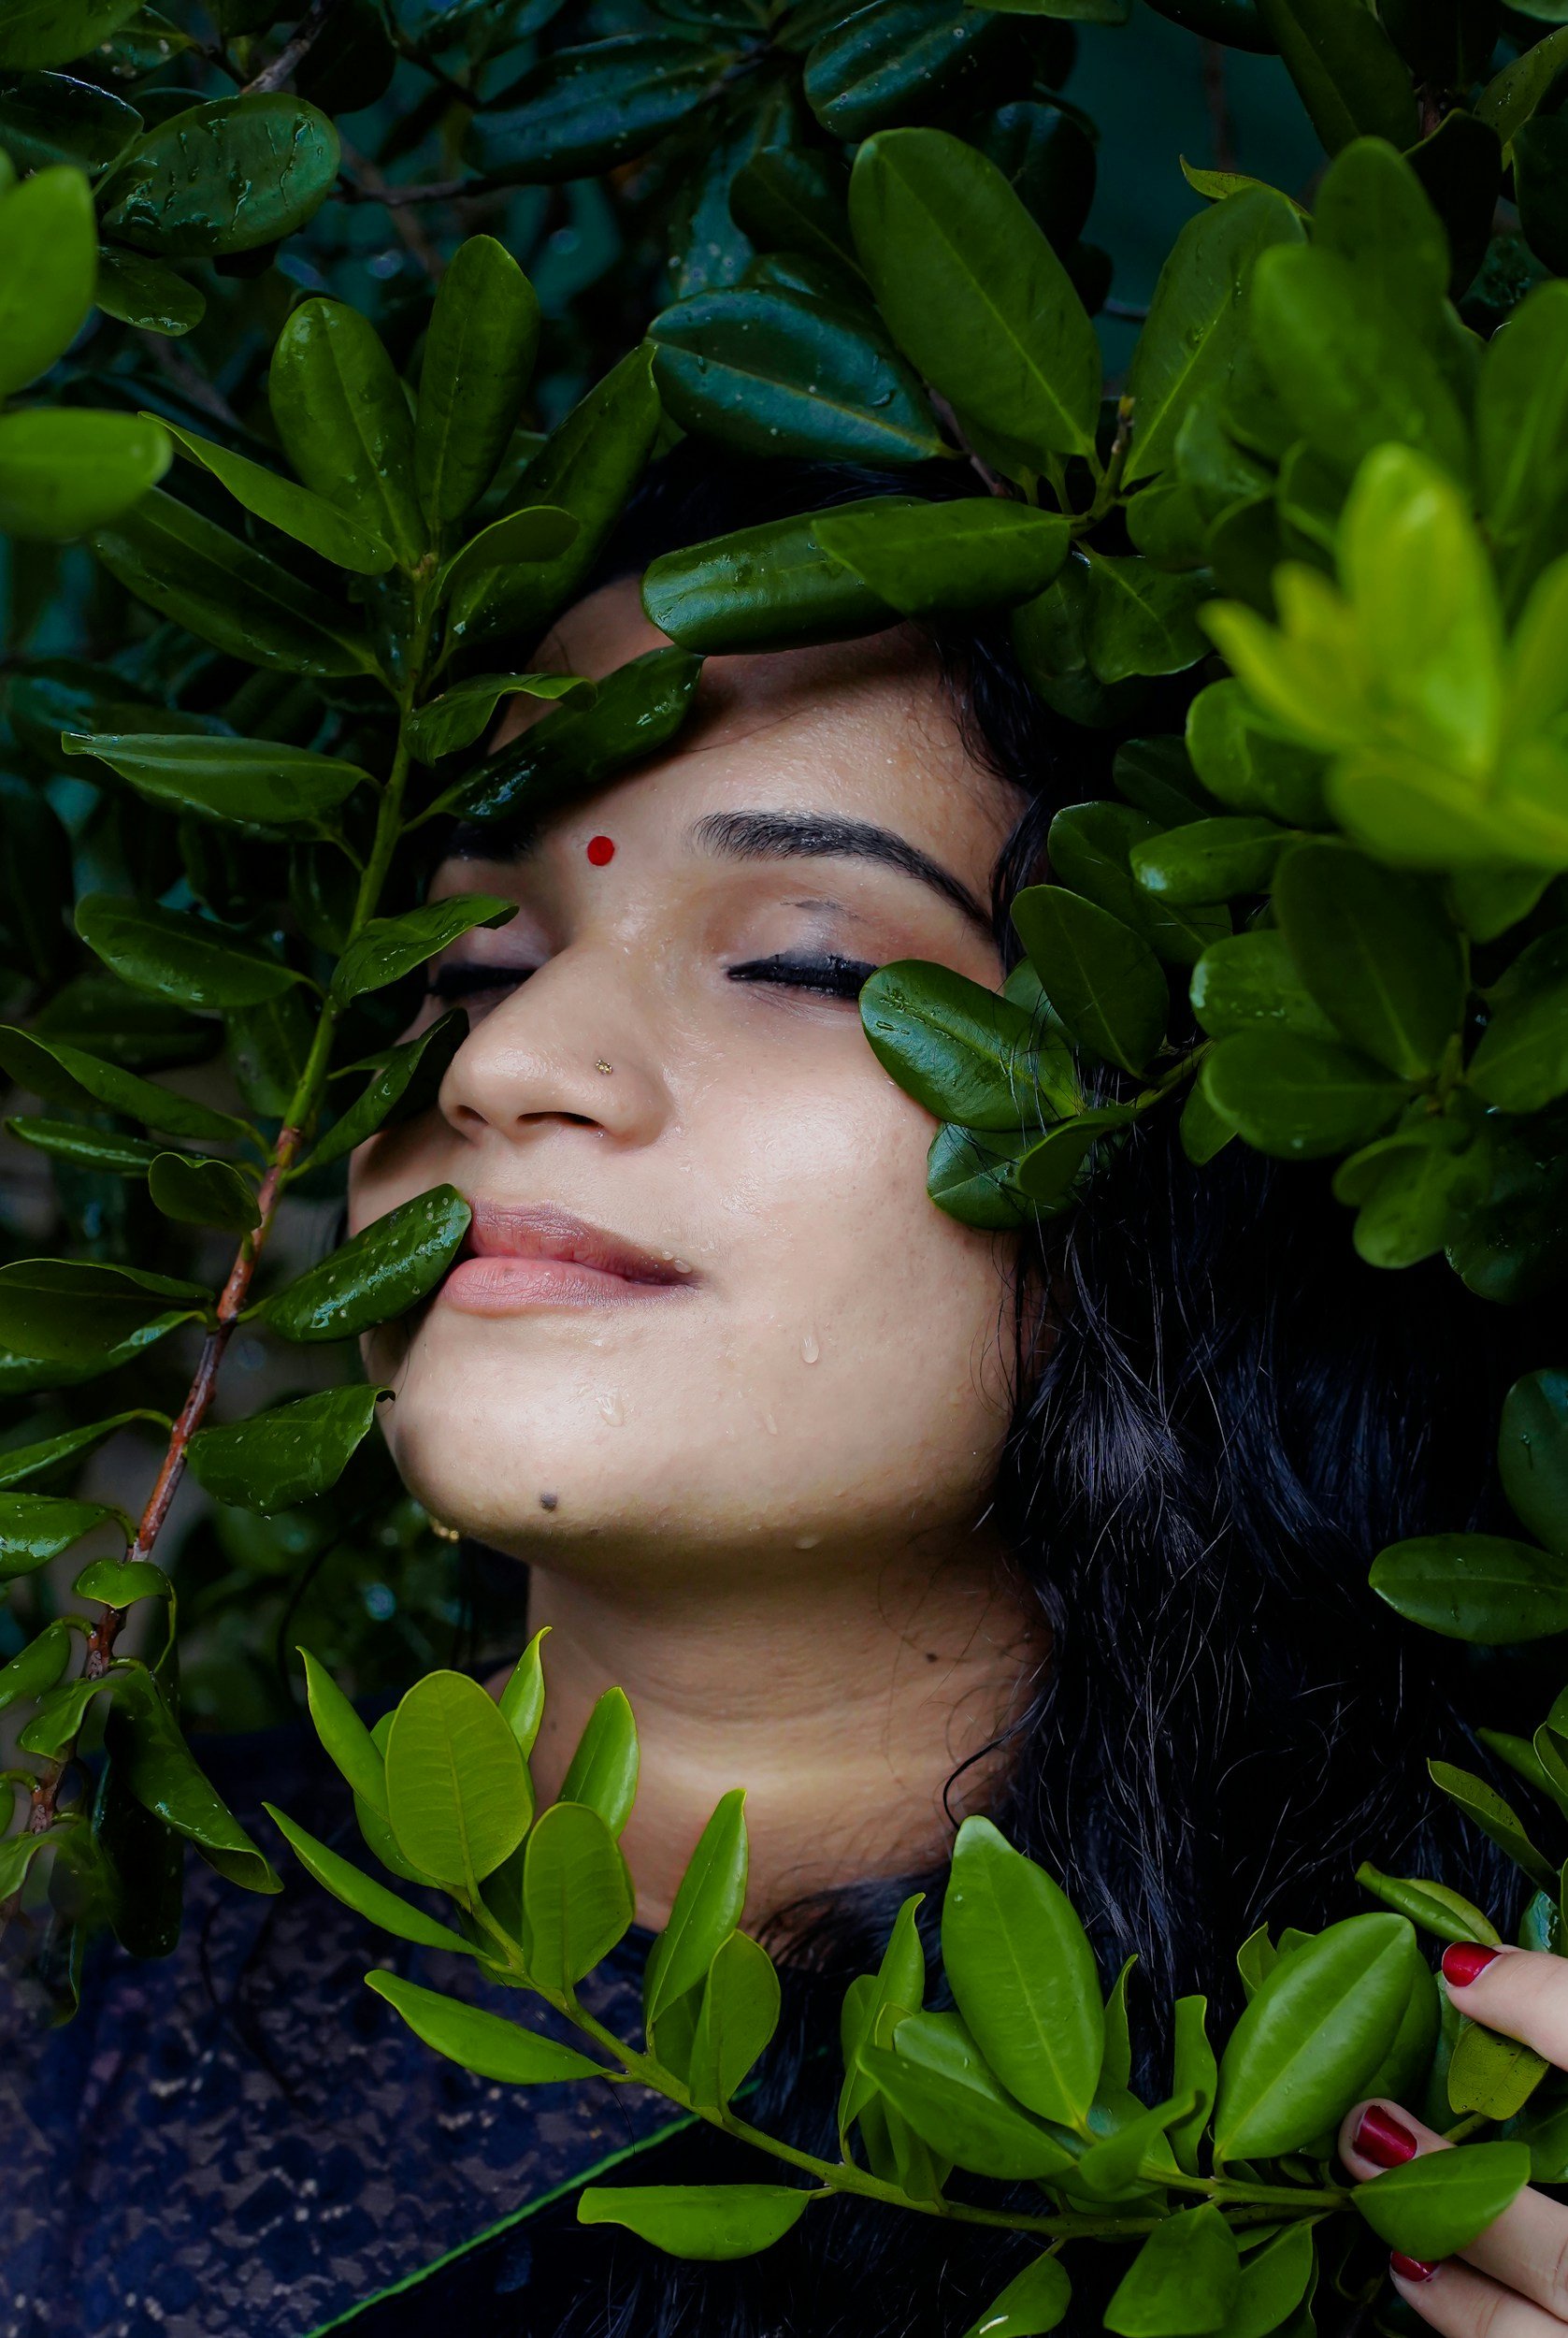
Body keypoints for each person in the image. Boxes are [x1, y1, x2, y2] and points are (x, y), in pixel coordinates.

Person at [0, 451, 1551, 2338]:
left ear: (1160, 1139)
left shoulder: (1456, 2103)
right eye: (469, 951)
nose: (509, 1054)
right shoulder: (70, 1939)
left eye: (804, 962)